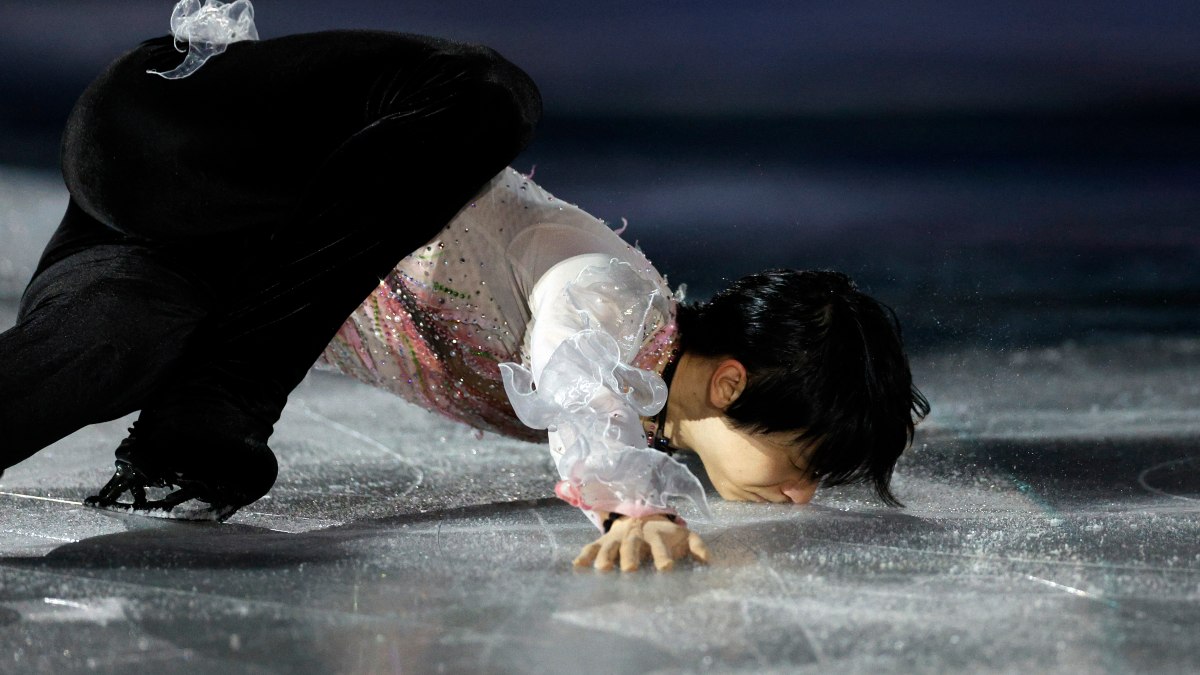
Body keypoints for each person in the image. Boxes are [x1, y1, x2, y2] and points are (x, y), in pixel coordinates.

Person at [0, 4, 929, 572]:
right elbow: (573, 359)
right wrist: (626, 500)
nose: (803, 495)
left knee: (107, 346)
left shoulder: (646, 392)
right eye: (804, 459)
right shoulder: (624, 300)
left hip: (188, 242)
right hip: (187, 133)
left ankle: (209, 390)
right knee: (490, 98)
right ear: (732, 383)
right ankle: (222, 400)